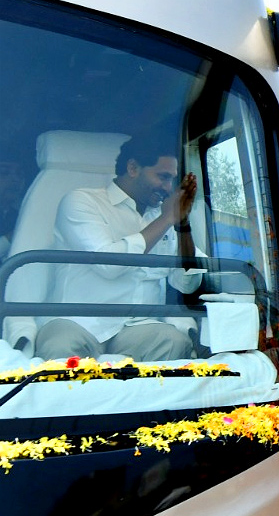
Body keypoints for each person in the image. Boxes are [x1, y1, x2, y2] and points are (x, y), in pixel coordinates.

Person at [35, 134, 204, 361]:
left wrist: (182, 224)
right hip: (78, 323)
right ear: (133, 168)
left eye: (172, 180)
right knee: (60, 346)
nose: (168, 188)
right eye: (163, 177)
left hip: (137, 327)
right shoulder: (81, 201)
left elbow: (186, 282)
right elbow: (108, 265)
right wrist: (167, 219)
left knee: (175, 342)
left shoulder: (164, 217)